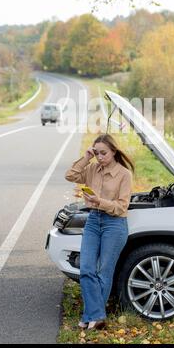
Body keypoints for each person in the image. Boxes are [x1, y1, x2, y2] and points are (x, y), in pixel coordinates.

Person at [65, 133, 134, 330]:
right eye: (97, 153)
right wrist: (87, 157)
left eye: (103, 153)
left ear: (113, 151)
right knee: (86, 268)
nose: (100, 157)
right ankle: (96, 316)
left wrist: (99, 202)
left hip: (115, 224)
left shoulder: (124, 174)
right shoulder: (93, 168)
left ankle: (90, 318)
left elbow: (122, 207)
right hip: (93, 221)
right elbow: (70, 175)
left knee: (104, 271)